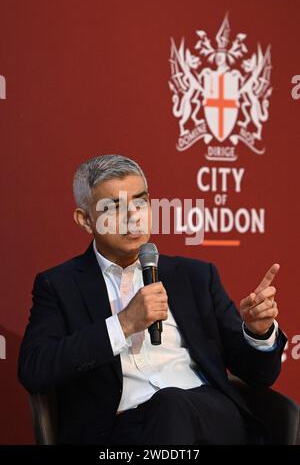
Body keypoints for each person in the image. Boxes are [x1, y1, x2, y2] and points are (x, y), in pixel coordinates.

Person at [18, 154, 287, 445]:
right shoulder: (59, 285)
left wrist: (258, 333)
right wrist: (123, 325)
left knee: (171, 403)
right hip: (122, 431)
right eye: (114, 207)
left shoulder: (195, 275)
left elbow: (259, 375)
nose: (133, 217)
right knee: (165, 410)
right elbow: (35, 370)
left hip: (209, 419)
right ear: (85, 220)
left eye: (140, 202)